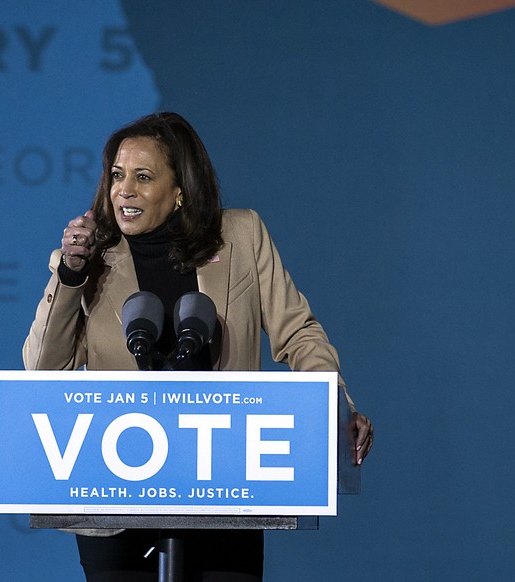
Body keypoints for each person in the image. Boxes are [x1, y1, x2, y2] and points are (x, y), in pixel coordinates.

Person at [23, 112, 373, 581]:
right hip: (115, 500)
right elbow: (43, 371)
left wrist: (335, 411)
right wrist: (69, 275)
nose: (123, 190)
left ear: (180, 188)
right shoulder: (89, 260)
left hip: (228, 487)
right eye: (117, 176)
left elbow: (298, 333)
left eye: (143, 177)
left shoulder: (242, 237)